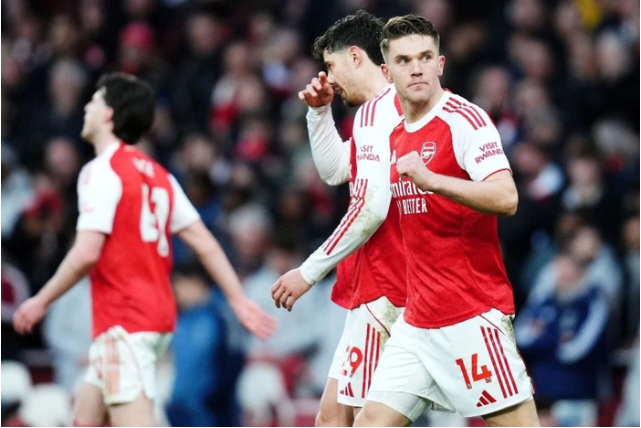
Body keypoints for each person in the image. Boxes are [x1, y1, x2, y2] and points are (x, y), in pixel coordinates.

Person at [12, 73, 276, 427]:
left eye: (94, 101)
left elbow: (86, 252)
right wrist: (237, 298)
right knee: (84, 420)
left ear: (109, 114)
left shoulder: (100, 171)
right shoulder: (159, 175)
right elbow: (204, 242)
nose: (86, 108)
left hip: (126, 322)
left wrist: (41, 300)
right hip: (149, 318)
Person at [354, 15, 540, 427]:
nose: (416, 68)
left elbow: (507, 197)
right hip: (417, 320)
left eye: (425, 57)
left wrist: (433, 180)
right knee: (368, 422)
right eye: (404, 60)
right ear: (387, 73)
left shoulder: (465, 120)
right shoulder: (394, 134)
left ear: (440, 64)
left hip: (469, 314)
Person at [270, 11, 407, 426]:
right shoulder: (397, 109)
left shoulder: (377, 113)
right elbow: (336, 171)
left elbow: (369, 208)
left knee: (355, 419)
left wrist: (308, 273)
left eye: (331, 66)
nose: (329, 78)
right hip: (390, 282)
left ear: (355, 56)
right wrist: (319, 113)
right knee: (333, 416)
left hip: (387, 285)